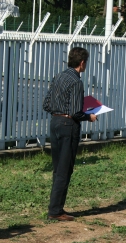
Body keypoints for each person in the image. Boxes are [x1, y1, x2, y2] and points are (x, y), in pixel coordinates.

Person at [44, 47, 98, 222]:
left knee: (58, 166)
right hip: (69, 126)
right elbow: (76, 112)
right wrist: (89, 116)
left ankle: (55, 206)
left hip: (55, 123)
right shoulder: (76, 82)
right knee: (65, 169)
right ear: (82, 63)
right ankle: (55, 210)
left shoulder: (58, 77)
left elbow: (46, 104)